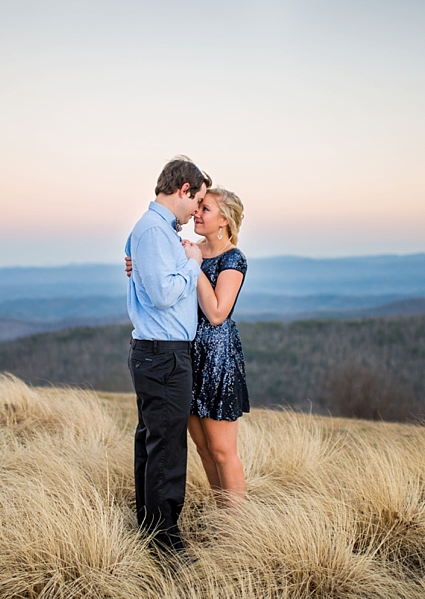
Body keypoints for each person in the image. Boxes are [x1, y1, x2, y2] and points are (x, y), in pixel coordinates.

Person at [127, 187, 249, 509]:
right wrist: (139, 264)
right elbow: (160, 278)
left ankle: (239, 527)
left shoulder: (233, 259)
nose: (196, 213)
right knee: (202, 448)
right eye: (197, 207)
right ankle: (222, 514)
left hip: (217, 360)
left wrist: (192, 266)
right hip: (186, 354)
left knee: (222, 450)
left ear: (224, 220)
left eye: (205, 209)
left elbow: (217, 312)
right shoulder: (190, 250)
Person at [125, 156, 211, 553]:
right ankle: (164, 540)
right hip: (163, 354)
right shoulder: (153, 233)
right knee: (167, 446)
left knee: (153, 440)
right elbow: (162, 295)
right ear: (184, 190)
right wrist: (193, 266)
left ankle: (149, 526)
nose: (197, 210)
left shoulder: (155, 231)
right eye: (198, 201)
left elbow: (145, 274)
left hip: (158, 352)